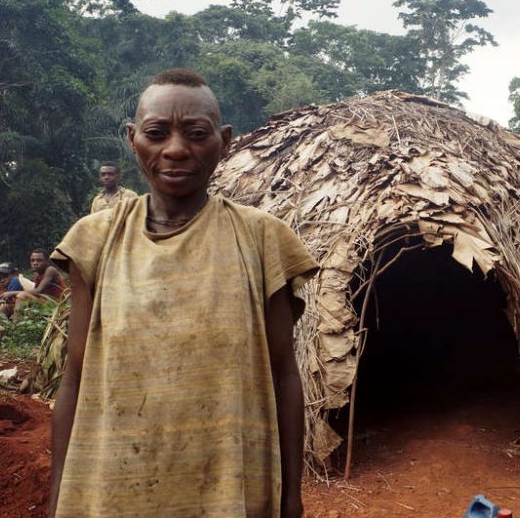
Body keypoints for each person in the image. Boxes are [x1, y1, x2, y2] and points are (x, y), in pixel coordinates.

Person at [48, 68, 319, 518]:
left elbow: (284, 373)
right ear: (134, 139)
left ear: (225, 140)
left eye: (196, 133)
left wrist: (291, 497)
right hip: (112, 490)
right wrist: (58, 494)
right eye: (156, 133)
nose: (175, 150)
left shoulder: (263, 240)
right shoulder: (93, 241)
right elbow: (74, 378)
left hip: (230, 491)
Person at [0, 249, 66, 317]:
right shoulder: (37, 273)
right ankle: (0, 326)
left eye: (39, 260)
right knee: (5, 307)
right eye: (32, 260)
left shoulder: (50, 270)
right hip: (44, 302)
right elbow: (36, 294)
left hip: (55, 305)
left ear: (47, 261)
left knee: (22, 296)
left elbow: (37, 291)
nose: (35, 263)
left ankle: (15, 326)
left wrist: (13, 293)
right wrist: (14, 298)